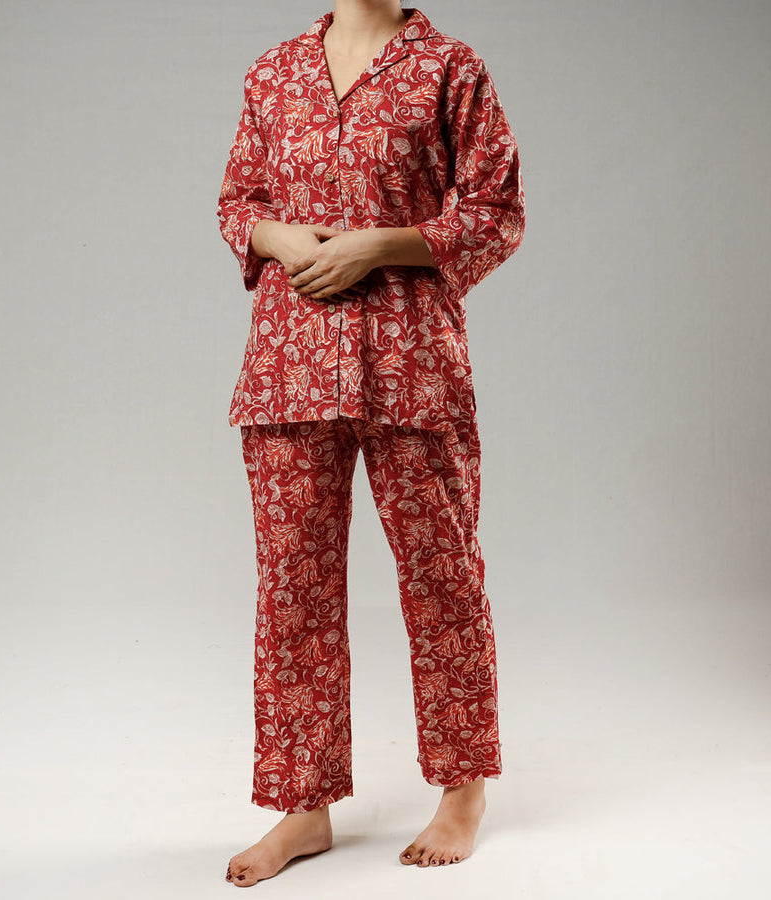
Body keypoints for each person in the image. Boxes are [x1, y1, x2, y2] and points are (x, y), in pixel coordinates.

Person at [216, 0, 526, 887]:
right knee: (293, 589)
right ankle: (302, 805)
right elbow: (239, 202)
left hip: (410, 359)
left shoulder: (449, 68)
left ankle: (463, 791)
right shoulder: (273, 71)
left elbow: (496, 212)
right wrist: (273, 234)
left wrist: (382, 246)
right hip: (289, 364)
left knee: (442, 574)